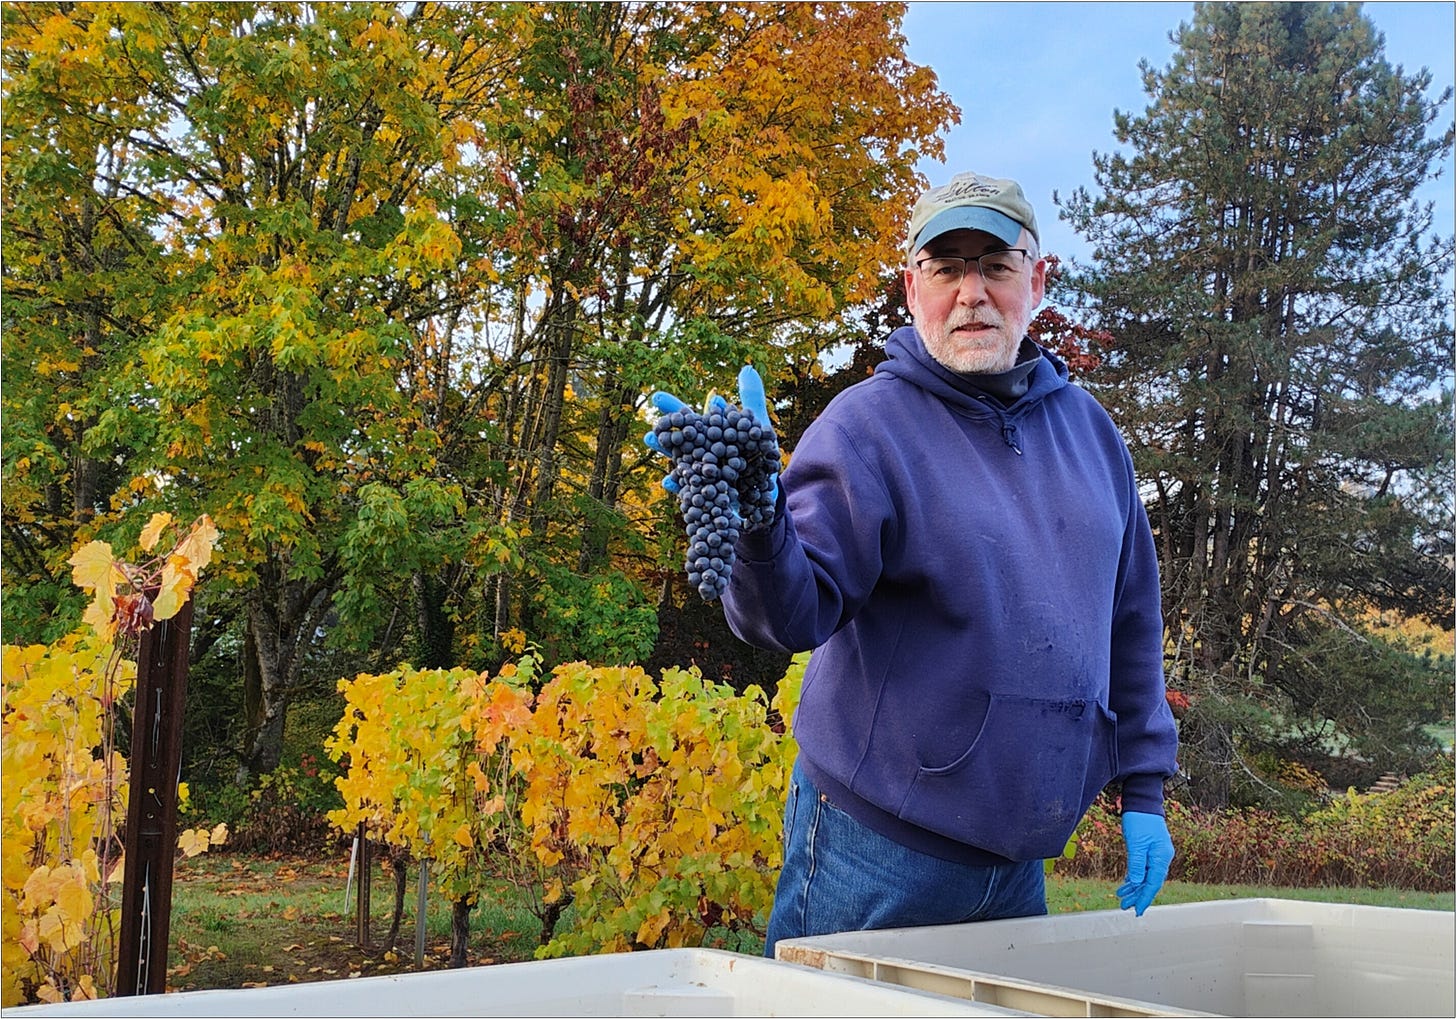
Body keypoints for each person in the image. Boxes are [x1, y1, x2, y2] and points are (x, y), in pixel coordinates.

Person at [648, 171, 1179, 957]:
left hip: (1018, 863)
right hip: (874, 851)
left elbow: (1130, 622)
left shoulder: (1093, 436)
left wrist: (1145, 789)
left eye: (994, 265)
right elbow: (789, 615)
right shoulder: (866, 429)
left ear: (1036, 280)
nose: (971, 291)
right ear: (911, 287)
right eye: (946, 267)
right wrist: (762, 524)